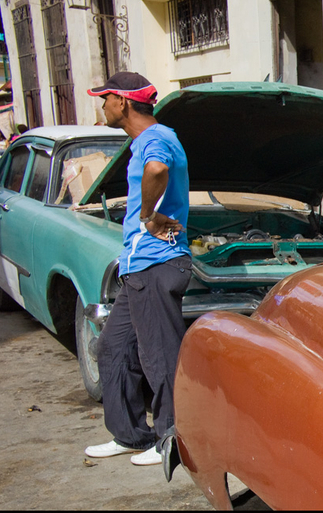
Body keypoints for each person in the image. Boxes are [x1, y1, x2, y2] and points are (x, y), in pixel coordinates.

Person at [84, 72, 192, 466]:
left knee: (159, 357)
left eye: (105, 99)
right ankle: (130, 435)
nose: (103, 106)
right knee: (112, 348)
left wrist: (148, 215)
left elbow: (158, 170)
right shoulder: (147, 140)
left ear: (123, 102)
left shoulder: (155, 138)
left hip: (156, 264)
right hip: (138, 268)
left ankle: (173, 440)